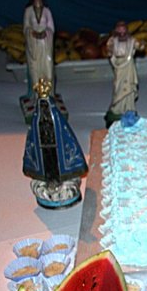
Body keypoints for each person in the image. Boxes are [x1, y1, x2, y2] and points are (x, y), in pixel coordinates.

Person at [23, 78, 88, 209]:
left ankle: (63, 188)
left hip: (56, 147)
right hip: (44, 149)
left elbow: (65, 135)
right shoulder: (37, 118)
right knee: (46, 165)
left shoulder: (56, 118)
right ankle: (49, 187)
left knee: (58, 165)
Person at [104, 21, 145, 128]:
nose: (122, 33)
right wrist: (109, 50)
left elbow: (140, 46)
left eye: (124, 30)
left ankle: (129, 108)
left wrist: (142, 45)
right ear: (116, 31)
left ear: (127, 31)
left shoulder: (132, 41)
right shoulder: (112, 41)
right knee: (118, 87)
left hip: (128, 67)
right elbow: (108, 49)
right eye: (119, 31)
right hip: (118, 66)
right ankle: (117, 109)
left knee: (129, 87)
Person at [23, 0, 54, 98]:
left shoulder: (47, 11)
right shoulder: (28, 11)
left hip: (45, 44)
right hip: (34, 45)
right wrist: (32, 33)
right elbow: (26, 27)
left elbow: (51, 27)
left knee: (48, 67)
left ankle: (48, 93)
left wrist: (46, 33)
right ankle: (37, 94)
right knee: (35, 67)